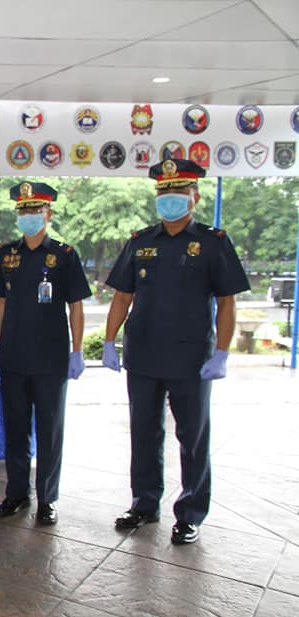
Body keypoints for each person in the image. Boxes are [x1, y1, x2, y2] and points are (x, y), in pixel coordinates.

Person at [103, 159, 250, 545]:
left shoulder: (213, 242)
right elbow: (122, 295)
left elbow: (227, 302)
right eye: (164, 193)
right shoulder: (141, 241)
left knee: (193, 436)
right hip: (144, 355)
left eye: (178, 192)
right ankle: (144, 503)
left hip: (190, 359)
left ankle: (190, 512)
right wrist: (109, 340)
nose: (170, 200)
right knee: (144, 433)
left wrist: (221, 352)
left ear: (194, 197)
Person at [0, 182, 91, 525]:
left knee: (49, 430)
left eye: (35, 210)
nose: (29, 216)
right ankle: (16, 493)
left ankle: (47, 498)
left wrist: (78, 350)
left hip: (51, 358)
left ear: (49, 213)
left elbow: (76, 306)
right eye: (23, 211)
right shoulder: (6, 254)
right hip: (14, 356)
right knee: (15, 429)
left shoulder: (64, 255)